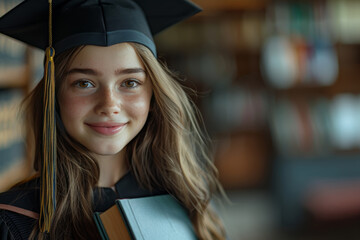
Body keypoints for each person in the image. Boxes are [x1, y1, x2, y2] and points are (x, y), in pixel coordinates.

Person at [0, 0, 226, 239]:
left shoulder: (188, 201)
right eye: (84, 83)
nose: (109, 105)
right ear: (54, 95)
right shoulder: (16, 221)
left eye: (130, 83)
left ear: (153, 96)